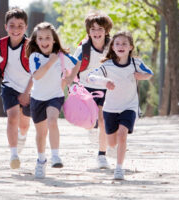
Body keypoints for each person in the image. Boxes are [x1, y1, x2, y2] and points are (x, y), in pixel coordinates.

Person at [87, 31, 153, 180]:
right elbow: (91, 77)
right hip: (110, 108)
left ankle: (119, 168)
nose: (120, 46)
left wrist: (142, 76)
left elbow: (150, 73)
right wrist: (105, 82)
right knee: (111, 142)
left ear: (130, 47)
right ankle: (111, 149)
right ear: (113, 47)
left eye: (124, 43)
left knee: (122, 135)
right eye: (117, 44)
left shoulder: (136, 63)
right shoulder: (108, 65)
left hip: (129, 106)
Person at [26, 22, 80, 178]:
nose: (44, 41)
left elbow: (78, 63)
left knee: (52, 120)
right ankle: (41, 160)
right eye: (40, 38)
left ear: (54, 40)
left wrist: (70, 77)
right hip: (37, 98)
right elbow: (37, 76)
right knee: (41, 134)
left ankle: (55, 155)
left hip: (55, 96)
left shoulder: (61, 56)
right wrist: (50, 62)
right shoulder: (34, 57)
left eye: (47, 38)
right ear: (36, 41)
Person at [0, 8, 32, 169]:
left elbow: (38, 71)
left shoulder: (31, 46)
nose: (16, 29)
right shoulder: (0, 45)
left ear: (26, 27)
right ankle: (13, 155)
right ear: (6, 27)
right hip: (9, 86)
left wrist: (27, 92)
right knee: (12, 117)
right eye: (12, 25)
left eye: (20, 26)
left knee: (24, 124)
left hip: (29, 88)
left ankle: (22, 136)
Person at [73, 11, 113, 169]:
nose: (97, 32)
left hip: (105, 87)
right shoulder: (83, 48)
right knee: (89, 123)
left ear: (106, 30)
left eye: (100, 29)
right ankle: (91, 128)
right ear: (88, 31)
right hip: (86, 87)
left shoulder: (112, 47)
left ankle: (102, 155)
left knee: (103, 120)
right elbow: (72, 67)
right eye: (93, 29)